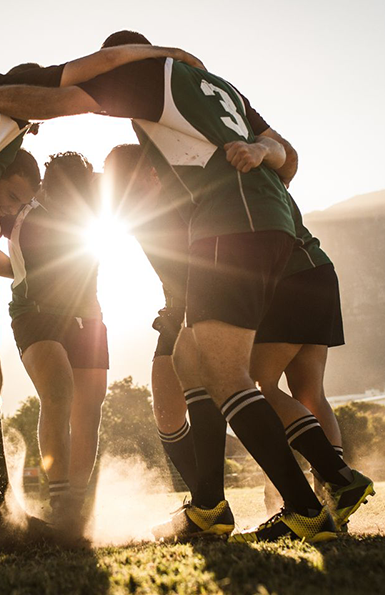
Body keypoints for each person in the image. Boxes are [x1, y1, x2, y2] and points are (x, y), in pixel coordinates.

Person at [0, 30, 373, 543]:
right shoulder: (220, 89)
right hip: (275, 223)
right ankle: (216, 503)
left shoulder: (147, 74)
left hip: (227, 225)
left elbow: (52, 99)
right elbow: (289, 158)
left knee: (227, 376)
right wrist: (257, 166)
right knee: (193, 362)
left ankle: (310, 500)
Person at [0, 44, 208, 560]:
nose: (36, 123)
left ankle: (17, 515)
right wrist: (164, 54)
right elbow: (98, 67)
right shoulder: (9, 96)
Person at [104, 144, 233, 541]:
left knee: (218, 393)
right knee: (166, 411)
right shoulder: (131, 209)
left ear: (152, 172)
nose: (117, 189)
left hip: (211, 301)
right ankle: (208, 503)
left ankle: (210, 506)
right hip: (176, 307)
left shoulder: (184, 197)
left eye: (123, 179)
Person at [3, 152, 108, 538]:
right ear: (45, 184)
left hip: (88, 317)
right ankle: (61, 500)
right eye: (53, 186)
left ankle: (76, 503)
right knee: (59, 393)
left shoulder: (92, 212)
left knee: (89, 409)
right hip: (36, 312)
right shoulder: (20, 211)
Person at [252, 190, 370, 528]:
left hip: (286, 280)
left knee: (255, 389)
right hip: (318, 271)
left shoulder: (234, 174)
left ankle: (330, 483)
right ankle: (334, 502)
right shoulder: (265, 168)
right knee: (310, 393)